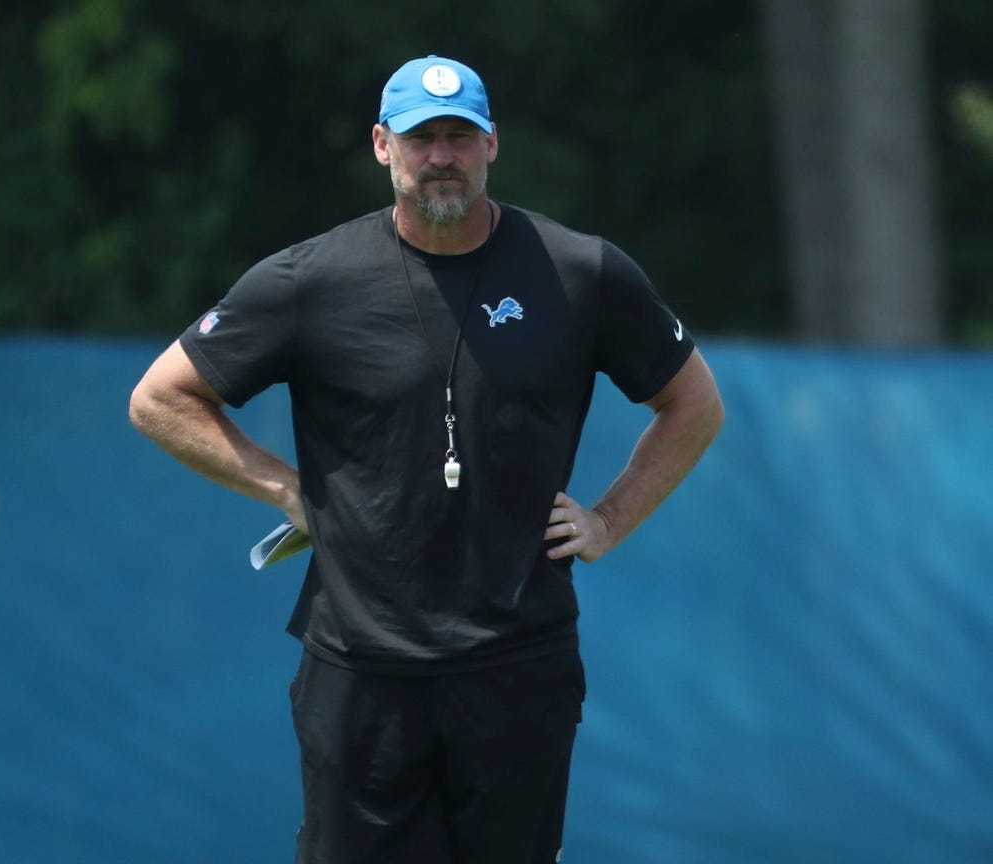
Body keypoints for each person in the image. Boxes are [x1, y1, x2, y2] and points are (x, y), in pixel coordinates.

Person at [130, 54, 723, 864]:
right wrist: (284, 489)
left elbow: (693, 402)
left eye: (459, 137)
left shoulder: (579, 270)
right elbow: (161, 397)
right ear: (382, 145)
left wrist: (611, 517)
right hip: (362, 671)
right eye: (420, 138)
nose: (440, 155)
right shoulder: (313, 278)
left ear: (491, 146)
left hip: (518, 668)